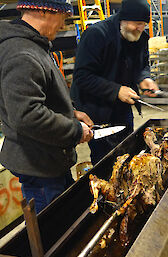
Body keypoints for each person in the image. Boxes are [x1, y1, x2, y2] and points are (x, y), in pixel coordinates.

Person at [0, 0, 94, 213]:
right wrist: (74, 131)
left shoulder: (34, 45)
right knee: (54, 232)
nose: (63, 25)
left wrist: (71, 114)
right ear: (44, 10)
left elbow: (41, 99)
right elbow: (27, 115)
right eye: (63, 16)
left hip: (48, 160)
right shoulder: (21, 54)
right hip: (40, 167)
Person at [71, 0, 159, 165]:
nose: (141, 28)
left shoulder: (138, 37)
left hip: (122, 107)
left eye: (144, 24)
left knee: (128, 151)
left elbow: (142, 64)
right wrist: (116, 90)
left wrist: (144, 78)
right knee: (105, 160)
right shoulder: (96, 35)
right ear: (124, 19)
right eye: (137, 24)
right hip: (96, 110)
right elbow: (82, 76)